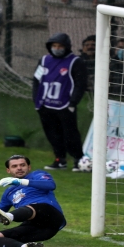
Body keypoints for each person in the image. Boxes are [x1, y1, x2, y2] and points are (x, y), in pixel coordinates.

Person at [33, 32, 88, 172]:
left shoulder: (75, 62)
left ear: (67, 47)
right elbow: (36, 81)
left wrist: (73, 103)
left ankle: (78, 160)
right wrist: (37, 102)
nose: (57, 48)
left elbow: (80, 84)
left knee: (70, 134)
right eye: (54, 45)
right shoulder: (44, 60)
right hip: (45, 105)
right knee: (52, 134)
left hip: (65, 105)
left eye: (60, 46)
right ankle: (60, 160)